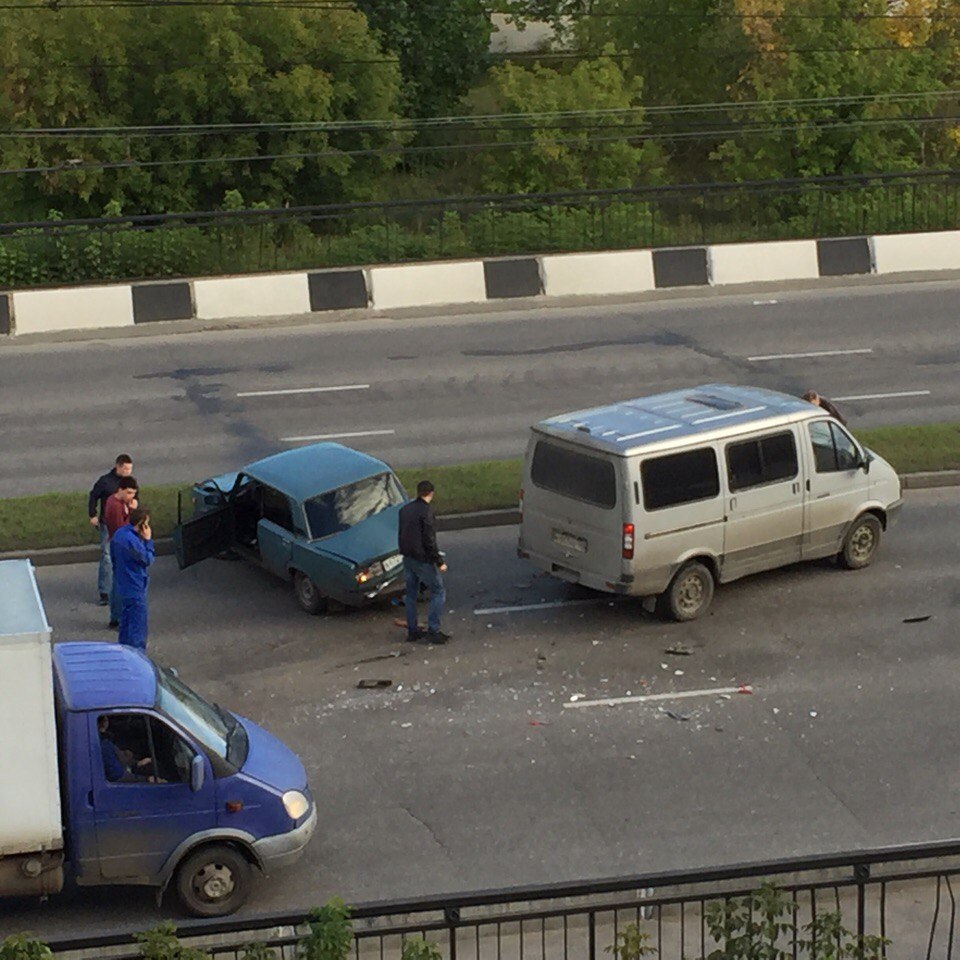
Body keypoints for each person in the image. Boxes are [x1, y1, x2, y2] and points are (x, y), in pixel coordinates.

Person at [398, 480, 450, 645]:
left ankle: (412, 631)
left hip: (408, 558)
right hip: (422, 559)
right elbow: (429, 540)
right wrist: (439, 561)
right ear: (431, 494)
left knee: (411, 595)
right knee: (438, 591)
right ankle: (433, 630)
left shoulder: (405, 510)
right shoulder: (426, 511)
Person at [87, 455, 134, 605]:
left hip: (125, 524)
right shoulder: (105, 482)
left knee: (124, 555)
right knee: (106, 556)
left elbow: (136, 497)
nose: (128, 472)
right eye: (125, 469)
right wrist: (92, 514)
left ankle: (122, 587)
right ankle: (105, 592)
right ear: (118, 466)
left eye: (130, 469)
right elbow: (93, 496)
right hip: (108, 525)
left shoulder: (130, 483)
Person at [111, 507, 155, 651]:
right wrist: (148, 541)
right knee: (137, 626)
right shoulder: (132, 541)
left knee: (125, 622)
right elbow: (147, 559)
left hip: (122, 583)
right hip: (135, 585)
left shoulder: (119, 534)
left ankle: (123, 651)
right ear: (142, 524)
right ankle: (137, 655)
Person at [103, 477, 139, 629]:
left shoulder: (118, 502)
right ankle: (117, 617)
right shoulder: (116, 506)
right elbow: (121, 529)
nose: (131, 497)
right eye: (129, 493)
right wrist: (132, 511)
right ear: (121, 489)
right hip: (119, 546)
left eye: (133, 494)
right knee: (120, 582)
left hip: (117, 544)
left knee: (119, 580)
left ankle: (116, 615)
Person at [97, 715, 155, 783]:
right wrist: (146, 779)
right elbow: (116, 775)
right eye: (106, 720)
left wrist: (136, 763)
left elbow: (120, 756)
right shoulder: (104, 745)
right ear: (104, 723)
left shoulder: (105, 741)